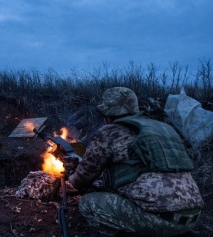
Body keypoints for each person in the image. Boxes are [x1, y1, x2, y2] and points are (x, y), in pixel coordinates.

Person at [68, 87, 204, 237]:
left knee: (88, 204)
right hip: (192, 217)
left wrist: (71, 179)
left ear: (108, 113)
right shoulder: (165, 128)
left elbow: (84, 176)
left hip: (159, 219)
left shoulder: (110, 131)